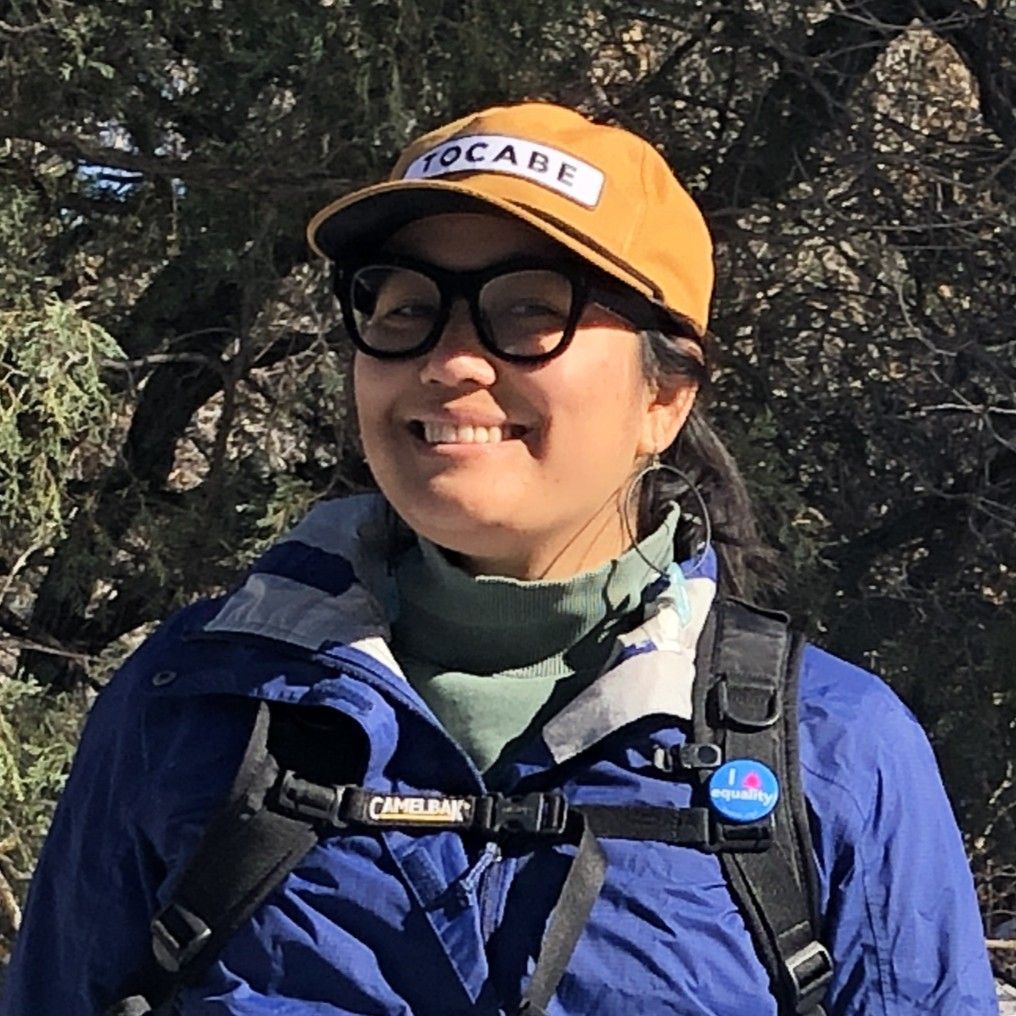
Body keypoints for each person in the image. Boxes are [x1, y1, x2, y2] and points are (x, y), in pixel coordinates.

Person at [0, 101, 999, 1015]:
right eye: (401, 306)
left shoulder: (833, 752)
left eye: (528, 307)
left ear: (667, 393)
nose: (448, 359)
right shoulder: (190, 700)